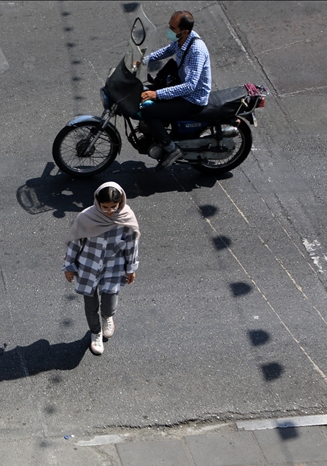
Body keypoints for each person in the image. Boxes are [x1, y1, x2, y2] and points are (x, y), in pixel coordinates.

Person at [63, 182, 139, 355]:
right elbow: (75, 243)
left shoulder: (126, 218)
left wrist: (131, 268)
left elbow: (132, 245)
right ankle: (95, 332)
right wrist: (69, 266)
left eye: (114, 206)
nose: (110, 211)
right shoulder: (86, 217)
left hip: (113, 268)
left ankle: (107, 317)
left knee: (109, 303)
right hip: (87, 268)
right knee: (90, 306)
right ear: (97, 201)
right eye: (105, 207)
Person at [139, 11, 212, 170]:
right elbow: (168, 50)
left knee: (149, 112)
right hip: (180, 85)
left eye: (173, 28)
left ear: (185, 31)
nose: (169, 31)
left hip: (192, 99)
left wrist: (157, 94)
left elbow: (190, 86)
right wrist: (143, 60)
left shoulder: (196, 50)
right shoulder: (182, 39)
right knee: (142, 91)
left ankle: (172, 149)